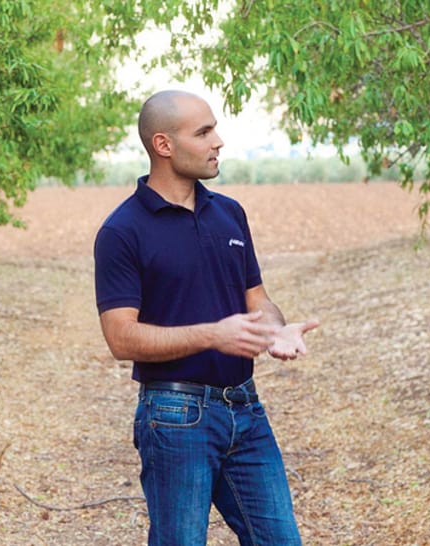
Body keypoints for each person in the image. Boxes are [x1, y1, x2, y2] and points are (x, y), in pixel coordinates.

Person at [94, 90, 318, 546]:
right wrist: (213, 335)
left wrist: (274, 330)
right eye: (203, 132)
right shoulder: (122, 231)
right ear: (163, 145)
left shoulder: (229, 213)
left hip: (246, 409)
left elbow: (257, 298)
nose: (218, 141)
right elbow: (120, 338)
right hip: (175, 417)